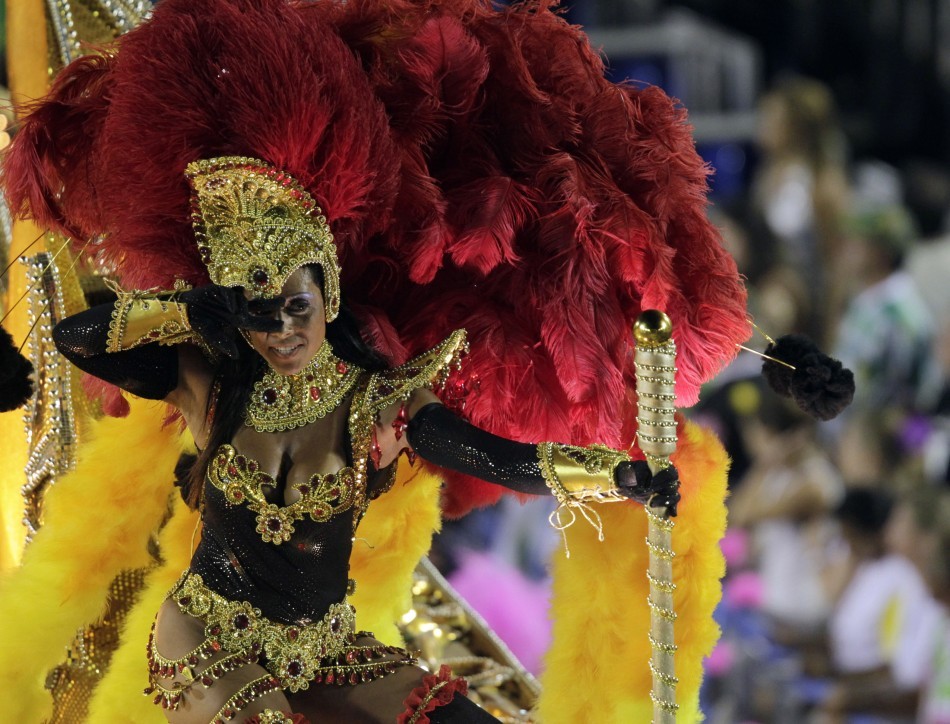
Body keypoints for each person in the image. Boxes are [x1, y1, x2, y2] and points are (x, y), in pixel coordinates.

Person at [1, 1, 751, 721]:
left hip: (322, 648)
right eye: (258, 315)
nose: (281, 331)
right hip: (205, 643)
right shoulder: (215, 380)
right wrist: (199, 311)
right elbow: (81, 340)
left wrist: (615, 477)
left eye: (295, 306)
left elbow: (498, 458)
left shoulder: (379, 403)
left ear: (326, 288)